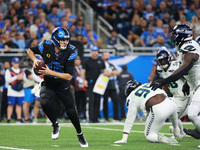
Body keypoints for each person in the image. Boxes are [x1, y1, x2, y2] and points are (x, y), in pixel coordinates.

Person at [27, 27, 88, 147]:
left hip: (62, 85)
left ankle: (80, 134)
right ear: (55, 39)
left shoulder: (71, 51)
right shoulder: (46, 45)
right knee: (43, 102)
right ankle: (55, 124)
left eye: (66, 40)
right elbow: (29, 50)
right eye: (62, 40)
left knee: (71, 112)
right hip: (48, 83)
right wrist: (34, 60)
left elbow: (69, 77)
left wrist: (50, 72)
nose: (65, 42)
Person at [150, 24, 200, 139]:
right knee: (193, 113)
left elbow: (185, 67)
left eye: (175, 35)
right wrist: (187, 83)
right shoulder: (184, 49)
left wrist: (163, 81)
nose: (173, 38)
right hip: (196, 85)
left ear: (181, 36)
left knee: (192, 114)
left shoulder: (190, 46)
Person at [114, 80, 180, 144]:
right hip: (171, 102)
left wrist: (124, 138)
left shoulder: (132, 96)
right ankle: (176, 130)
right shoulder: (147, 84)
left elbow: (130, 118)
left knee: (149, 135)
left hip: (159, 109)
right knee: (173, 116)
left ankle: (160, 138)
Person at [156, 46, 192, 138]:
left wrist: (187, 84)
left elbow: (187, 76)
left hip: (184, 95)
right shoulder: (160, 69)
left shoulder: (176, 65)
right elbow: (167, 83)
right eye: (161, 61)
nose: (163, 62)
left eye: (164, 60)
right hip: (175, 95)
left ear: (168, 58)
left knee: (174, 114)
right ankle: (181, 132)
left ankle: (178, 133)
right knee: (173, 113)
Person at [80, 45, 107, 123]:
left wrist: (103, 74)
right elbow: (82, 72)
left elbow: (104, 71)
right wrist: (84, 80)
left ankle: (96, 118)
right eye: (93, 51)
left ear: (98, 52)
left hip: (98, 84)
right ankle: (90, 118)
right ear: (91, 52)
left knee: (97, 100)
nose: (95, 52)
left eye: (96, 51)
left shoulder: (101, 61)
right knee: (91, 100)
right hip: (90, 83)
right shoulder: (87, 61)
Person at [5, 57, 26, 123]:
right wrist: (16, 77)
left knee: (19, 105)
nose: (16, 64)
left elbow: (25, 80)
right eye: (15, 63)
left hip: (20, 90)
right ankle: (8, 119)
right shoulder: (9, 71)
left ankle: (19, 118)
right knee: (11, 105)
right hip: (12, 90)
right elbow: (8, 80)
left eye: (17, 63)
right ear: (12, 63)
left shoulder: (21, 71)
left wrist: (22, 78)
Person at [102, 52, 120, 122]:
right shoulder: (101, 64)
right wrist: (112, 73)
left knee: (116, 101)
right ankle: (106, 118)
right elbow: (104, 73)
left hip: (112, 86)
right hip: (104, 85)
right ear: (102, 56)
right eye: (105, 55)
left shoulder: (111, 64)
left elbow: (118, 72)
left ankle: (116, 117)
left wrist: (109, 73)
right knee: (105, 102)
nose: (107, 56)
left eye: (108, 55)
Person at [71, 56, 87, 122]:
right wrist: (71, 85)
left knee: (85, 103)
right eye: (76, 60)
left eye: (78, 60)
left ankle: (85, 116)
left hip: (84, 88)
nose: (77, 61)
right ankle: (77, 116)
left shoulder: (83, 68)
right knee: (76, 103)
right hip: (76, 88)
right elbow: (71, 78)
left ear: (80, 61)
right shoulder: (72, 69)